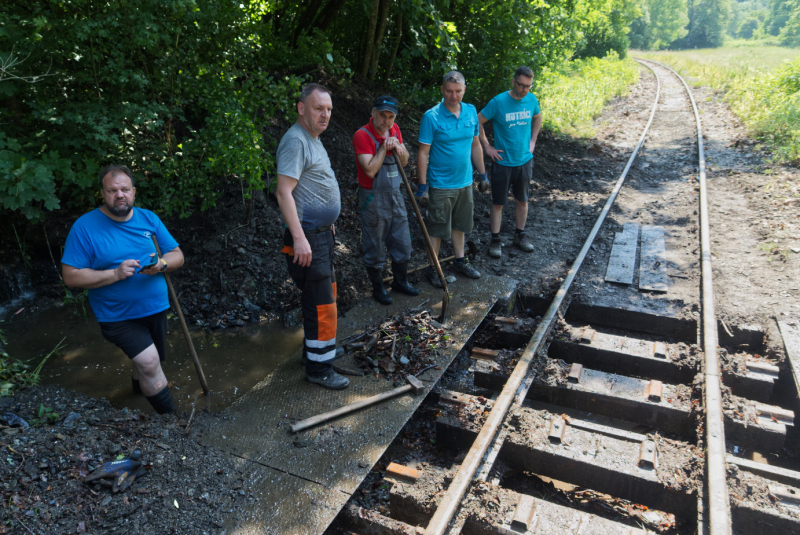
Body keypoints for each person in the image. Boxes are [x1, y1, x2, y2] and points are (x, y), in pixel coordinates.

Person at [62, 165, 184, 414]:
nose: (120, 195)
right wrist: (114, 274)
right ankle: (172, 424)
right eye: (112, 190)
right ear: (103, 194)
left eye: (125, 189)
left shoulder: (149, 218)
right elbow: (71, 276)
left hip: (155, 307)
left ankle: (138, 395)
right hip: (117, 314)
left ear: (134, 192)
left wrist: (161, 264)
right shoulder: (84, 227)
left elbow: (177, 256)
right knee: (149, 362)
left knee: (149, 361)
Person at [275, 83, 349, 390]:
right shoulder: (296, 141)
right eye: (319, 108)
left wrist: (325, 225)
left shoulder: (313, 139)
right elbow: (283, 191)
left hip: (320, 236)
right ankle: (320, 369)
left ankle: (318, 351)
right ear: (301, 108)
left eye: (329, 109)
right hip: (307, 239)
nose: (326, 114)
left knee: (321, 297)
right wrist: (300, 238)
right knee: (323, 305)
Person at [416, 71, 487, 287]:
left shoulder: (471, 112)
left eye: (457, 91)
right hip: (440, 185)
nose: (453, 95)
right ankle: (433, 269)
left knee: (460, 225)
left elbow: (475, 145)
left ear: (464, 89)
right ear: (442, 90)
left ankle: (459, 261)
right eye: (449, 91)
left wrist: (483, 175)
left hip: (465, 183)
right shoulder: (432, 116)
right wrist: (422, 186)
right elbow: (423, 153)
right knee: (437, 229)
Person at [352, 95, 420, 305]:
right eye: (383, 115)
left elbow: (406, 161)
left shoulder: (395, 129)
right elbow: (370, 170)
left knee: (402, 242)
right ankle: (378, 288)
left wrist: (398, 146)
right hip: (372, 198)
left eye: (391, 117)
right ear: (373, 112)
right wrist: (384, 147)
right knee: (375, 245)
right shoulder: (362, 135)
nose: (387, 121)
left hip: (395, 195)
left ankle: (400, 281)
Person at [478, 65, 543, 258]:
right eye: (521, 85)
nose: (525, 90)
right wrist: (487, 147)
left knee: (522, 200)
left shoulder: (531, 99)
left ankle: (520, 235)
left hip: (524, 160)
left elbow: (538, 117)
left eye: (528, 86)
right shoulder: (498, 102)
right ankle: (495, 240)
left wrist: (533, 141)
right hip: (502, 162)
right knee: (498, 203)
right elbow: (477, 121)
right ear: (513, 82)